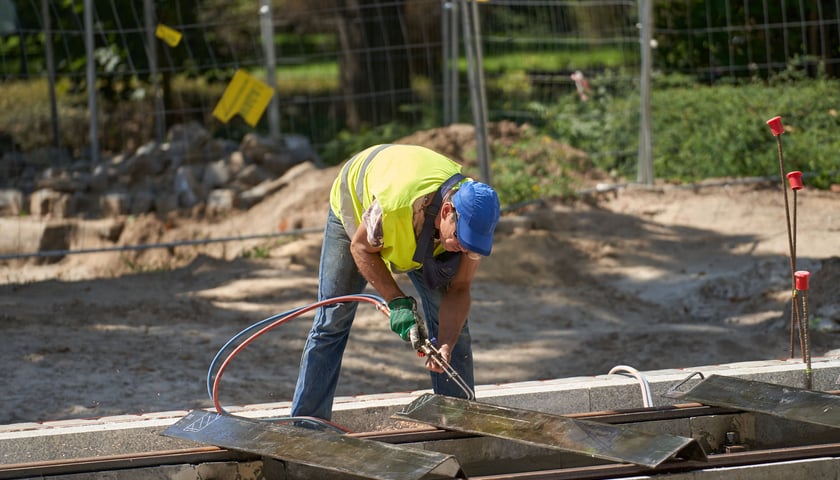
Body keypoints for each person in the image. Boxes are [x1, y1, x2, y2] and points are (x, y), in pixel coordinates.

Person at [291, 143, 501, 421]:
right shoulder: (394, 206)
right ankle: (308, 421)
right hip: (358, 211)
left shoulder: (473, 220)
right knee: (333, 320)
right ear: (448, 211)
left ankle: (456, 419)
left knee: (455, 328)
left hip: (421, 226)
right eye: (460, 238)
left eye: (471, 244)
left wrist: (447, 343)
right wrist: (396, 300)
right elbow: (361, 248)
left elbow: (460, 289)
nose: (464, 248)